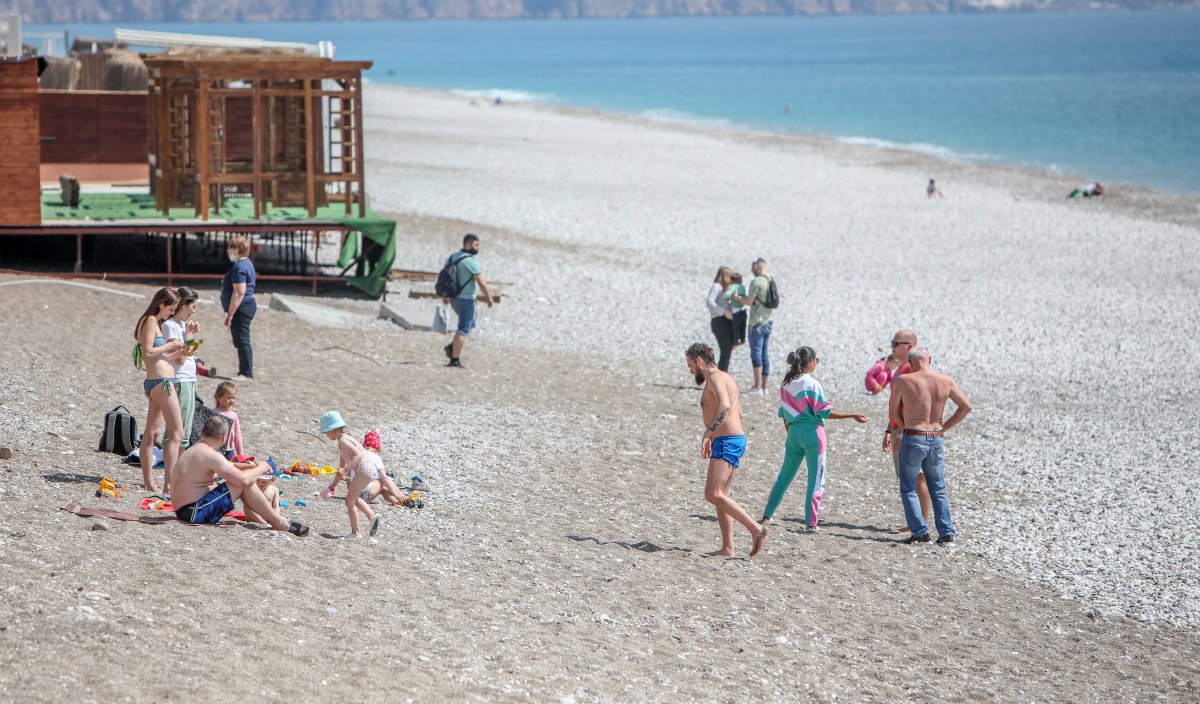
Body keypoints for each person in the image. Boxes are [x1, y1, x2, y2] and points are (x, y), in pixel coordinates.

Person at [760, 346, 867, 533]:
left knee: (784, 476)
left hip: (793, 433)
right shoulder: (811, 384)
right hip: (813, 435)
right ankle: (811, 524)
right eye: (816, 360)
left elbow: (783, 414)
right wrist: (851, 415)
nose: (816, 364)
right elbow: (824, 411)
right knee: (816, 480)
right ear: (810, 362)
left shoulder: (785, 384)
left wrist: (792, 430)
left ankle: (766, 516)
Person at [685, 343, 767, 558]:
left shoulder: (715, 379)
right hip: (734, 439)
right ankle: (728, 548)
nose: (691, 370)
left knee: (712, 494)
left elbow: (725, 406)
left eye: (691, 365)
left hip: (728, 441)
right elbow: (738, 413)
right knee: (721, 495)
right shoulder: (726, 377)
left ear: (700, 361)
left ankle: (755, 529)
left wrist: (709, 432)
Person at [173, 414, 308, 535]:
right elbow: (242, 480)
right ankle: (278, 521)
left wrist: (250, 466)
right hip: (194, 513)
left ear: (203, 431)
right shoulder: (210, 454)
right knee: (243, 483)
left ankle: (274, 519)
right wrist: (263, 467)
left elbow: (228, 465)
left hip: (186, 510)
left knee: (240, 479)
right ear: (224, 437)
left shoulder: (196, 449)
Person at [890, 347, 972, 544]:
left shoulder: (905, 380)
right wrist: (944, 427)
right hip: (936, 437)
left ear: (909, 363)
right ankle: (946, 533)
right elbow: (966, 406)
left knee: (908, 487)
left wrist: (906, 428)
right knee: (938, 487)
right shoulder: (945, 380)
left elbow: (893, 413)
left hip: (914, 435)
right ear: (930, 360)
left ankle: (920, 531)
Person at [134, 287, 184, 494]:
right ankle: (169, 486)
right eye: (170, 309)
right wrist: (170, 345)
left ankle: (149, 483)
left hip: (156, 381)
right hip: (162, 383)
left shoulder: (149, 322)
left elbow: (154, 357)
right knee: (177, 434)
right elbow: (148, 351)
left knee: (152, 433)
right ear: (161, 304)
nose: (171, 313)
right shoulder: (151, 321)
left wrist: (179, 352)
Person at [882, 329, 932, 530]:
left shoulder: (911, 369)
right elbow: (896, 404)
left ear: (909, 346)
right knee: (907, 477)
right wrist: (888, 430)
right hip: (899, 428)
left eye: (896, 344)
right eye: (891, 343)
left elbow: (917, 402)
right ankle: (918, 521)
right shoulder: (900, 369)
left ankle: (921, 522)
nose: (892, 347)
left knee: (916, 476)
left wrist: (904, 429)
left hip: (908, 429)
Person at [319, 411, 384, 540]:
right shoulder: (345, 439)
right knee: (353, 497)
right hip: (368, 469)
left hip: (364, 469)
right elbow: (342, 466)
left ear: (332, 429)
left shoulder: (343, 440)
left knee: (349, 500)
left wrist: (347, 469)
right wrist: (333, 485)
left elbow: (357, 455)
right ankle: (371, 518)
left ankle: (356, 533)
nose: (326, 435)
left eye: (326, 432)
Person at [442, 233, 494, 369]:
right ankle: (454, 360)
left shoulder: (453, 257)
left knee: (470, 323)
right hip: (466, 300)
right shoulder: (471, 261)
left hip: (454, 298)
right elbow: (482, 282)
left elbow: (445, 277)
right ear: (468, 244)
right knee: (463, 329)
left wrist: (445, 295)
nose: (477, 248)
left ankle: (452, 347)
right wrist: (488, 297)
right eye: (476, 245)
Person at [322, 429, 406, 506]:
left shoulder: (356, 455)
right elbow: (385, 479)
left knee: (383, 489)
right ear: (378, 449)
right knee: (383, 480)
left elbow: (341, 469)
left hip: (353, 493)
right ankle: (400, 498)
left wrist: (333, 485)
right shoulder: (375, 457)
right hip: (365, 494)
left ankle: (397, 500)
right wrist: (396, 493)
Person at [162, 286, 200, 452]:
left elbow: (187, 353)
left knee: (186, 426)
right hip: (180, 379)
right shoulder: (170, 326)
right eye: (193, 306)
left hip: (189, 379)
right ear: (183, 305)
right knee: (179, 428)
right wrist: (190, 337)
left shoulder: (181, 325)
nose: (194, 311)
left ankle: (177, 467)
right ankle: (174, 465)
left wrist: (189, 334)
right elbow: (181, 358)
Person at [221, 236, 257, 380]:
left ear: (237, 249)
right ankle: (244, 371)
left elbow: (239, 292)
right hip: (246, 305)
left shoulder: (240, 267)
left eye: (230, 247)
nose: (228, 250)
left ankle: (246, 373)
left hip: (242, 307)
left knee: (242, 340)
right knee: (240, 339)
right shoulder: (247, 264)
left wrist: (230, 314)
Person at [737, 258, 774, 396]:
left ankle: (757, 386)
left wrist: (736, 298)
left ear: (758, 267)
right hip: (768, 321)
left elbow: (748, 301)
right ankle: (764, 387)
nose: (752, 270)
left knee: (756, 354)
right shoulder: (770, 279)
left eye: (753, 268)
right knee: (765, 354)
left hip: (756, 322)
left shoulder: (756, 282)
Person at [705, 267, 735, 372]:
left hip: (726, 322)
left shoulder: (725, 289)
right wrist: (723, 311)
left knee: (727, 351)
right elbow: (709, 302)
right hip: (719, 321)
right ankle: (720, 376)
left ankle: (721, 375)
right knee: (725, 351)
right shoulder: (717, 286)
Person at [214, 381, 243, 457]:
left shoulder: (233, 415)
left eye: (234, 398)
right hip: (215, 449)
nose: (232, 400)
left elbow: (237, 435)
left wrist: (240, 453)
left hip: (229, 450)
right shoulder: (212, 413)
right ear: (219, 397)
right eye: (229, 398)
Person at [725, 272, 748, 347]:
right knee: (743, 326)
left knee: (735, 327)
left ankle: (735, 341)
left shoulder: (733, 287)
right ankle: (743, 339)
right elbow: (746, 296)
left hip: (735, 312)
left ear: (732, 281)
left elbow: (726, 296)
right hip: (743, 310)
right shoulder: (743, 287)